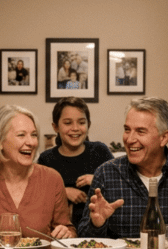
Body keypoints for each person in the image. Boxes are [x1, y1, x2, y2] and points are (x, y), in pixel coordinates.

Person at [78, 97, 168, 248]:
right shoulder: (106, 173)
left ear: (164, 138)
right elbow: (82, 237)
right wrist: (96, 225)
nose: (129, 139)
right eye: (127, 130)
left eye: (140, 131)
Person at [0, 105, 74, 240]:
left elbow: (68, 230)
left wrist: (66, 233)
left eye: (34, 135)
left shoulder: (52, 178)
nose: (31, 142)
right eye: (21, 135)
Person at [37, 97, 115, 226]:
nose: (75, 128)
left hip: (98, 229)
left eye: (81, 122)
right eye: (68, 123)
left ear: (88, 125)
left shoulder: (100, 151)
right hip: (61, 230)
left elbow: (119, 185)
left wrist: (97, 180)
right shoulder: (46, 159)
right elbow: (37, 195)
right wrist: (63, 191)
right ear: (55, 127)